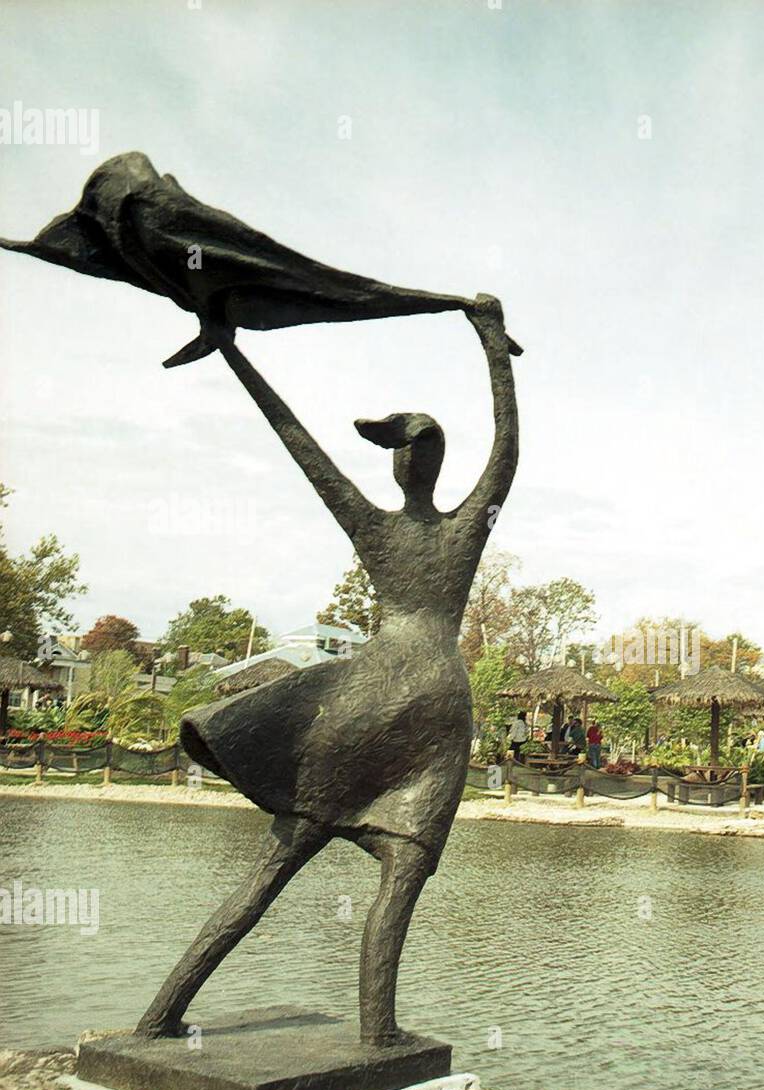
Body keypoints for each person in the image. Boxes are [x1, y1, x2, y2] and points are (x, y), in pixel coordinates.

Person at [135, 294, 519, 1047]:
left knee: (275, 866)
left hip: (368, 701)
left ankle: (160, 1017)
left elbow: (301, 446)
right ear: (434, 463)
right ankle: (378, 1031)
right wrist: (492, 345)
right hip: (435, 707)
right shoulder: (470, 525)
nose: (406, 458)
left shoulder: (377, 526)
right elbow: (506, 453)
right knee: (398, 875)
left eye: (401, 448)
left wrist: (233, 350)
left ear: (403, 461)